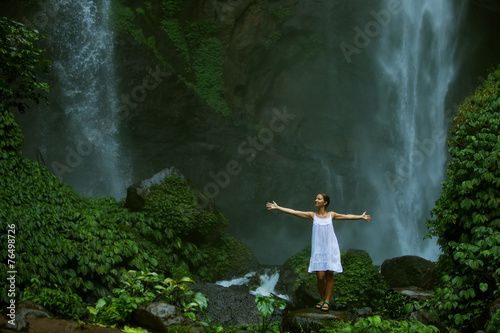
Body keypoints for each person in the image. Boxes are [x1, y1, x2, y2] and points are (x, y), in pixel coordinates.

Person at [266, 193, 371, 311]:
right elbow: (294, 211)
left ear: (325, 202)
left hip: (331, 248)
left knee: (329, 275)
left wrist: (361, 217)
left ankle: (327, 300)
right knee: (320, 276)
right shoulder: (312, 215)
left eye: (319, 199)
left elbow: (346, 216)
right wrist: (278, 207)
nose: (316, 200)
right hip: (319, 249)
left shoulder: (332, 215)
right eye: (316, 198)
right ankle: (322, 298)